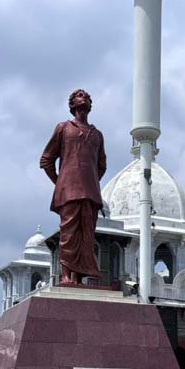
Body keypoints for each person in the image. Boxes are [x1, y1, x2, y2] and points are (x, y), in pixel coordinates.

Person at [39, 89, 107, 284]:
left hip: (90, 193)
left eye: (87, 97)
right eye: (79, 96)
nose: (84, 98)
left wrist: (90, 181)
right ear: (72, 104)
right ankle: (67, 275)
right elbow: (46, 160)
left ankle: (79, 276)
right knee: (69, 233)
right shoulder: (63, 128)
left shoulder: (97, 135)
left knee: (86, 235)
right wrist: (61, 183)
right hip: (69, 191)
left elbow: (101, 165)